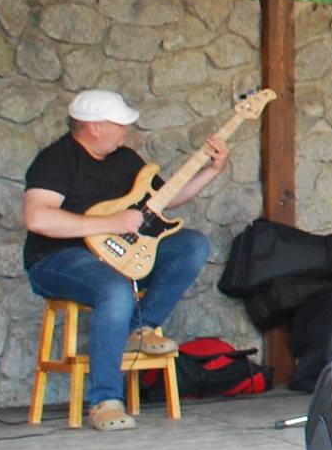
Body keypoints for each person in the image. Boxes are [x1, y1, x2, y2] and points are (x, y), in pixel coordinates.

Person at [22, 88, 227, 432]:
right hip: (57, 259)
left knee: (191, 245)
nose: (126, 131)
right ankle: (105, 400)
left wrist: (212, 170)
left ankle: (139, 328)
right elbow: (37, 218)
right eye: (120, 124)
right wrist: (109, 223)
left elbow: (167, 198)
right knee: (115, 290)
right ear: (95, 127)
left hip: (121, 255)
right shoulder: (55, 160)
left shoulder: (126, 160)